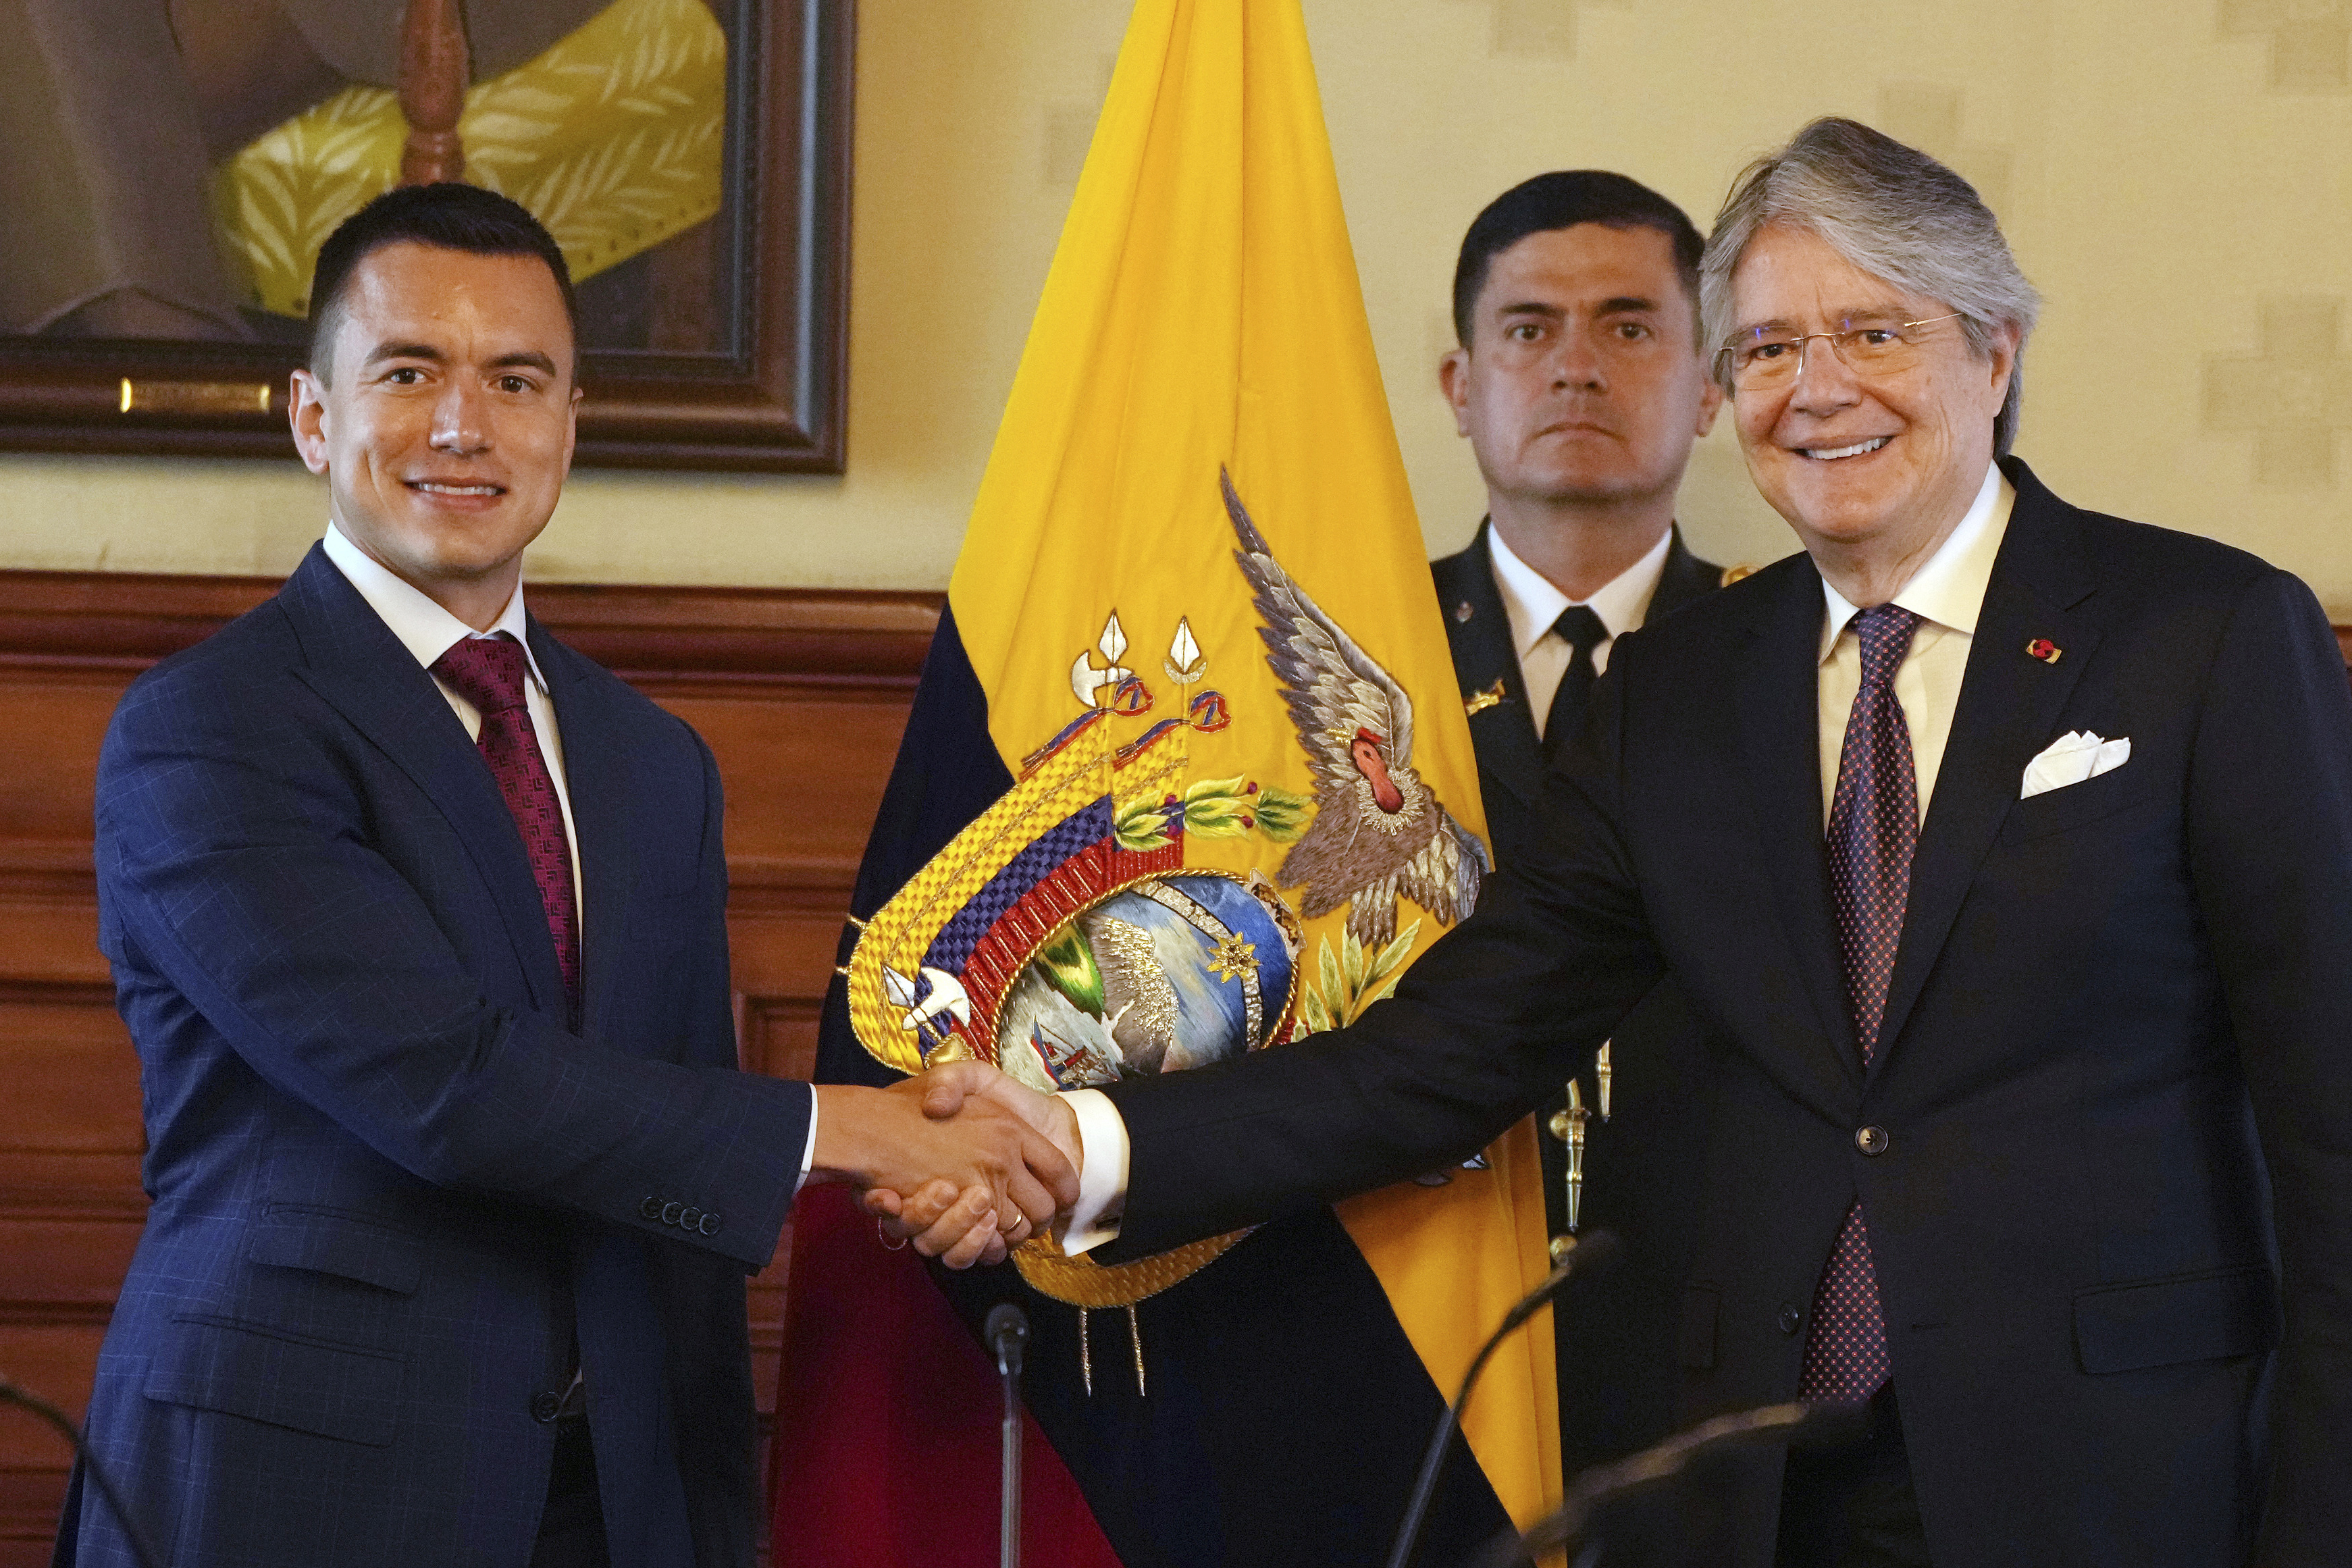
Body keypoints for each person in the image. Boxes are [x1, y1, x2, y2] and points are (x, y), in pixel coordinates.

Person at [898, 119, 2352, 1567]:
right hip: (1749, 1484)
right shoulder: (1675, 690)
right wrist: (1078, 1141)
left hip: (2109, 1477)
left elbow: (2331, 1118)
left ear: (1994, 352)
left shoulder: (2205, 635)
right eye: (1768, 349)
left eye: (1872, 332)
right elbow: (1449, 1052)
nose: (1817, 389)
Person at [63, 183, 1073, 1568]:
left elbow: (673, 1144)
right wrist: (860, 1132)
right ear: (311, 417)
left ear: (569, 423)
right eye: (408, 372)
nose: (463, 424)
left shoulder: (654, 761)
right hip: (297, 1490)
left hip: (617, 1498)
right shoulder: (209, 728)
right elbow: (446, 1086)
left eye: (516, 379)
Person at [1429, 169, 1733, 1507]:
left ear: (1710, 385)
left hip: (1710, 1310)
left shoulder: (1794, 658)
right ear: (1460, 386)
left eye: (1627, 325)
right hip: (1423, 1293)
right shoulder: (1353, 663)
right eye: (1528, 327)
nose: (1574, 366)